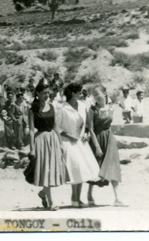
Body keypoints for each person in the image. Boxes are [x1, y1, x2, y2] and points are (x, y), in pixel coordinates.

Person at [55, 83, 100, 208]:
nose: (81, 94)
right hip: (68, 141)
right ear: (73, 93)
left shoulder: (82, 106)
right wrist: (69, 136)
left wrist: (86, 132)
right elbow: (56, 127)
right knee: (76, 169)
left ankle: (78, 198)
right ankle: (74, 197)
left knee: (82, 170)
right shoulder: (62, 108)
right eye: (79, 92)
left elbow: (86, 123)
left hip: (81, 141)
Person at [27, 82, 65, 211]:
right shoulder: (32, 110)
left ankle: (43, 193)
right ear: (37, 93)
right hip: (41, 141)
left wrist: (60, 143)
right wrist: (32, 148)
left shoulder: (52, 107)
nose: (46, 95)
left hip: (53, 139)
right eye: (44, 93)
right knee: (46, 171)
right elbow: (31, 130)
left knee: (51, 171)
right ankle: (51, 202)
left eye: (48, 93)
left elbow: (55, 126)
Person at [87, 86, 124, 206]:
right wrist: (97, 146)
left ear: (104, 93)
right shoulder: (92, 110)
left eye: (98, 94)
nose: (97, 97)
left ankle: (117, 198)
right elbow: (91, 129)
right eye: (94, 95)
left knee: (113, 165)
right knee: (96, 166)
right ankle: (89, 194)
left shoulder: (111, 108)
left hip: (109, 138)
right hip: (97, 138)